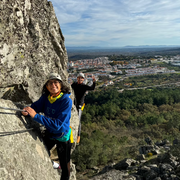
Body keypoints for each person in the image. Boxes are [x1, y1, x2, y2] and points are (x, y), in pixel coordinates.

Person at [22, 72, 72, 180]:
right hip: (50, 133)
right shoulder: (46, 97)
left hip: (62, 136)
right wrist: (28, 110)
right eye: (50, 83)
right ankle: (52, 164)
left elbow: (58, 125)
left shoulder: (66, 101)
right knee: (41, 153)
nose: (53, 85)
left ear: (61, 85)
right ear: (47, 87)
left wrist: (35, 116)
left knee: (65, 165)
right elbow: (36, 106)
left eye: (56, 82)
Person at [71, 72, 96, 144]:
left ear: (83, 79)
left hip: (80, 105)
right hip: (74, 103)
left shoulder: (84, 86)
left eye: (81, 78)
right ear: (77, 78)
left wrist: (94, 81)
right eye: (79, 77)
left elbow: (92, 88)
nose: (79, 79)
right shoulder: (74, 85)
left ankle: (78, 136)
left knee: (78, 120)